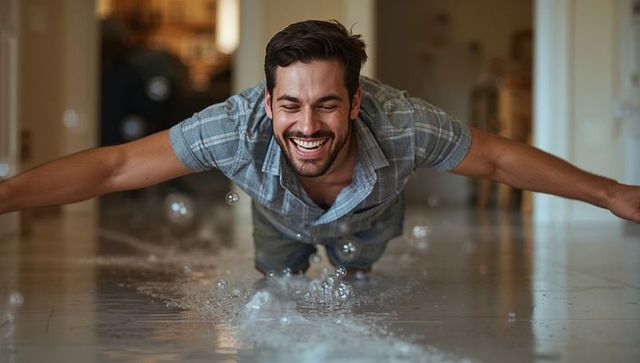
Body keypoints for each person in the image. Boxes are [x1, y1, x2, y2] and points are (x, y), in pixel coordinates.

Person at [1, 20, 639, 275]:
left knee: (356, 286)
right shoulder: (234, 126)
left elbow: (498, 159)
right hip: (277, 218)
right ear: (268, 100)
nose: (308, 125)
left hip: (371, 217)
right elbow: (114, 167)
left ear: (356, 102)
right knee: (279, 287)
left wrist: (612, 194)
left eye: (328, 104)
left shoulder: (405, 124)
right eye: (291, 105)